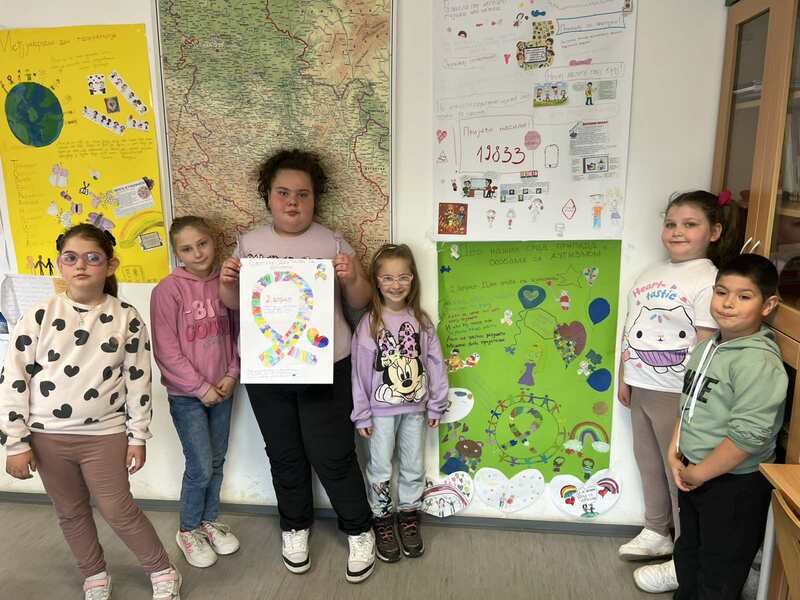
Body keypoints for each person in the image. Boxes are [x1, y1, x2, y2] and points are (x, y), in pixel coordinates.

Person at [219, 149, 376, 583]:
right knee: (284, 454)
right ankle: (294, 527)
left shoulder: (333, 242)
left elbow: (361, 302)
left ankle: (358, 529)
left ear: (315, 198)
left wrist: (352, 276)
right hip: (267, 370)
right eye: (283, 193)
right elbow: (234, 305)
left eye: (302, 194)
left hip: (328, 366)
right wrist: (228, 283)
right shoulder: (249, 245)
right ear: (268, 196)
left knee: (334, 454)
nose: (292, 202)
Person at [0, 224, 181, 600]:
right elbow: (13, 379)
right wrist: (15, 442)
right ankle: (94, 574)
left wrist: (138, 436)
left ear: (110, 265)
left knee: (118, 509)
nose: (80, 265)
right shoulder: (39, 314)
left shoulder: (126, 317)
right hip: (47, 437)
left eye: (92, 257)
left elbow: (138, 381)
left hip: (104, 435)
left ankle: (162, 569)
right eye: (71, 258)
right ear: (60, 265)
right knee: (70, 511)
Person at [617, 191, 736, 593]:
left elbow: (705, 344)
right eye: (670, 224)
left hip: (676, 392)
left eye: (690, 224)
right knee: (647, 460)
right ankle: (656, 530)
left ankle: (685, 553)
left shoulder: (709, 279)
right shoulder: (650, 272)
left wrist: (691, 397)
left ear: (714, 232)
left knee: (678, 473)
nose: (677, 232)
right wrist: (624, 373)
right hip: (642, 383)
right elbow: (631, 325)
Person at [668, 254, 786, 598]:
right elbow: (688, 403)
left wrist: (700, 473)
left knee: (719, 569)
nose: (728, 303)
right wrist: (675, 450)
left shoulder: (758, 362)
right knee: (688, 554)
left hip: (734, 485)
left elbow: (748, 437)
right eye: (721, 292)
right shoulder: (707, 347)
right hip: (694, 473)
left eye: (744, 296)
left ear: (768, 305)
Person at [151, 216, 240, 569]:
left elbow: (240, 333)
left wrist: (232, 374)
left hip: (224, 389)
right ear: (178, 253)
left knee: (217, 461)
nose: (197, 253)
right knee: (200, 466)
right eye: (187, 249)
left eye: (202, 244)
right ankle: (188, 529)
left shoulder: (226, 284)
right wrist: (200, 388)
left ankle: (208, 521)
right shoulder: (168, 290)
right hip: (187, 396)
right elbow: (166, 350)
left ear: (213, 241)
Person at [351, 244, 448, 563]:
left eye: (403, 277)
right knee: (379, 467)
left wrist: (436, 403)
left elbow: (435, 363)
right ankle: (382, 520)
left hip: (415, 411)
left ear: (413, 279)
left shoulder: (421, 322)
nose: (396, 284)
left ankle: (408, 516)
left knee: (413, 466)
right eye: (388, 278)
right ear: (376, 281)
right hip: (379, 414)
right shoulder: (369, 324)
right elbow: (359, 373)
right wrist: (362, 414)